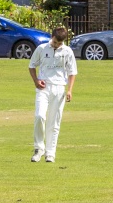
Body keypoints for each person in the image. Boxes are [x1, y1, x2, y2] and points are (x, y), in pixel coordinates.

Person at [29, 26, 77, 163]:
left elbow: (72, 72)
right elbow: (32, 66)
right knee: (39, 116)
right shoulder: (42, 48)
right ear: (52, 37)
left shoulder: (67, 51)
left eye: (60, 43)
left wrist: (69, 90)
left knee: (54, 122)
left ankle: (50, 153)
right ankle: (38, 149)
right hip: (43, 87)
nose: (57, 45)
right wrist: (36, 81)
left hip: (59, 88)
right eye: (55, 42)